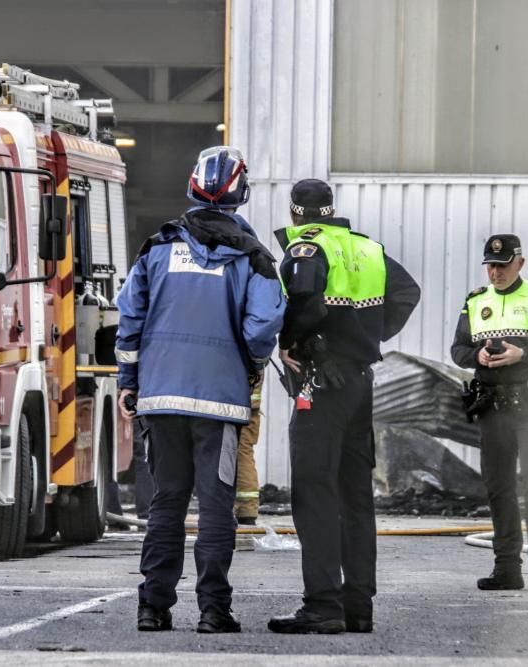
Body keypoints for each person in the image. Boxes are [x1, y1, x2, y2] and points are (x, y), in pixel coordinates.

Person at [116, 146, 285, 634]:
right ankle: (213, 611)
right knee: (216, 507)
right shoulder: (253, 257)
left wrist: (130, 382)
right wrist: (251, 366)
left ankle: (153, 607)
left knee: (167, 502)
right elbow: (263, 325)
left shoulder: (157, 248)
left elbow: (130, 318)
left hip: (161, 398)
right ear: (241, 194)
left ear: (193, 187)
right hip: (219, 401)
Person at [268, 179, 420, 634]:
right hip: (358, 380)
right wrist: (366, 340)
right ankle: (358, 606)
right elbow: (406, 292)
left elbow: (304, 301)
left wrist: (293, 342)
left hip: (321, 382)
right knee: (355, 496)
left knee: (314, 493)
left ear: (295, 212)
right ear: (331, 210)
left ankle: (322, 605)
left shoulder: (307, 251)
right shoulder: (367, 249)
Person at [450, 234, 528, 592]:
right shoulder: (475, 301)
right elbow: (459, 349)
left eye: (502, 266)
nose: (495, 272)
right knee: (499, 486)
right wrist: (479, 357)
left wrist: (524, 355)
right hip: (491, 403)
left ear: (520, 263)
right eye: (490, 265)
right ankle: (507, 569)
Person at [234, 376, 263, 525]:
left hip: (237, 396)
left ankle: (245, 509)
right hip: (248, 393)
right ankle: (246, 509)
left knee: (240, 450)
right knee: (243, 449)